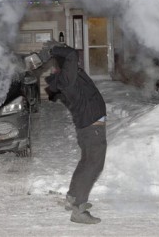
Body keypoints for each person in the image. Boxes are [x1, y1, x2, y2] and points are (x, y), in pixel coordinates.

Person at [39, 41, 107, 225]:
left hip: (89, 126)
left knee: (86, 162)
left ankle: (72, 197)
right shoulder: (67, 79)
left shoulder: (68, 78)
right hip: (92, 127)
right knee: (93, 165)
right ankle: (79, 209)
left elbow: (70, 59)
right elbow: (71, 55)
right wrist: (54, 49)